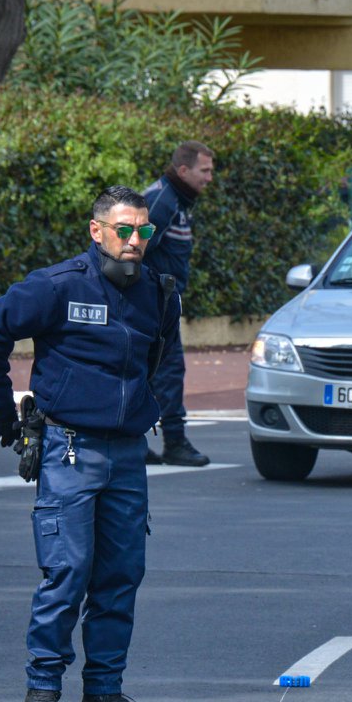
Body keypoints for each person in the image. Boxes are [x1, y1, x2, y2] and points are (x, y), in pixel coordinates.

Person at [0, 185, 182, 702]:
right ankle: (42, 691)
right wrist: (3, 412)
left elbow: (164, 360)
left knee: (120, 577)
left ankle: (103, 697)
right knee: (67, 573)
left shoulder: (158, 291)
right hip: (69, 450)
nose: (136, 241)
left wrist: (152, 409)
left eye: (144, 231)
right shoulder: (57, 287)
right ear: (97, 231)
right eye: (124, 230)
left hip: (129, 455)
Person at [141, 140, 216, 466]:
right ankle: (174, 442)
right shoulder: (162, 201)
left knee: (149, 373)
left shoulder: (175, 201)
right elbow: (135, 249)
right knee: (167, 371)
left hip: (161, 302)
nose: (210, 178)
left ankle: (135, 441)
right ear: (183, 170)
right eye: (205, 170)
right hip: (152, 303)